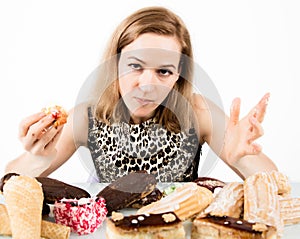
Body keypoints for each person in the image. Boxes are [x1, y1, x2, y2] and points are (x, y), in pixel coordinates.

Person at [5, 6, 277, 182]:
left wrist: (243, 158)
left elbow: (274, 183)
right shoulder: (88, 117)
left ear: (179, 73)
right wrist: (36, 159)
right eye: (135, 66)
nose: (148, 85)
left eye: (164, 72)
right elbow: (9, 181)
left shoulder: (197, 113)